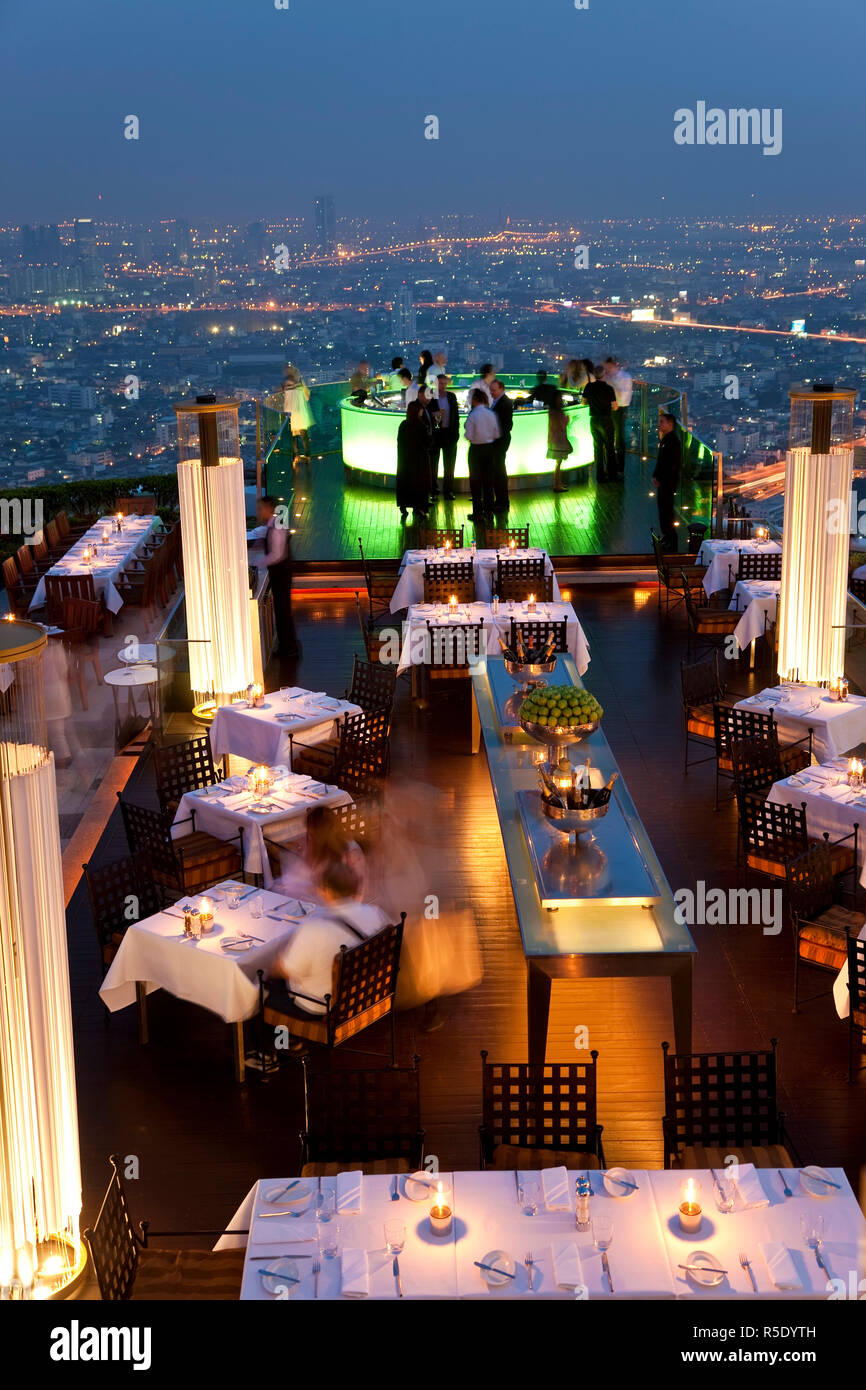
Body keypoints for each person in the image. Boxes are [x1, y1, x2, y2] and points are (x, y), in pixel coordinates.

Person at [266, 858, 388, 1042]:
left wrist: (271, 961)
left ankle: (271, 1050)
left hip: (320, 1007)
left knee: (261, 990)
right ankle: (290, 1041)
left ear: (326, 890)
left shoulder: (314, 929)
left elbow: (286, 970)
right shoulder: (375, 914)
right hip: (366, 996)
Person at [271, 803, 367, 901]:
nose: (309, 836)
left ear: (321, 834)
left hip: (336, 900)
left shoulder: (350, 852)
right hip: (318, 892)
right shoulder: (320, 845)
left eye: (311, 833)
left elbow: (358, 886)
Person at [251, 495, 298, 657]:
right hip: (280, 572)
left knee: (283, 611)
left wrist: (257, 563)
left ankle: (289, 649)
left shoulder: (276, 527)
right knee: (281, 611)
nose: (259, 512)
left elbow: (276, 555)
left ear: (269, 508)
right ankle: (287, 646)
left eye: (261, 508)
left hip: (281, 573)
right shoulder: (272, 525)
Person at [464, 387, 500, 521]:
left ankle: (477, 513)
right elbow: (497, 434)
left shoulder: (472, 415)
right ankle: (489, 510)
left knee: (475, 483)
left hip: (476, 450)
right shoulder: (491, 414)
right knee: (488, 482)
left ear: (474, 399)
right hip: (489, 449)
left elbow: (468, 436)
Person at [396, 400, 431, 519]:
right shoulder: (421, 426)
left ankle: (403, 505)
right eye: (421, 409)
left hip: (405, 462)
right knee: (419, 485)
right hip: (419, 462)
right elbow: (427, 443)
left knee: (405, 484)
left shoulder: (403, 425)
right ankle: (419, 508)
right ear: (417, 411)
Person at [582, 364, 617, 484]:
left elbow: (583, 402)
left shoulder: (589, 387)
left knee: (597, 449)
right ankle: (612, 474)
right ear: (604, 375)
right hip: (606, 420)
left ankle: (600, 476)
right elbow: (615, 407)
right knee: (610, 448)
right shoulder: (609, 388)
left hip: (594, 420)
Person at [653, 412, 681, 552]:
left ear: (670, 424)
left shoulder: (673, 442)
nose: (659, 424)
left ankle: (671, 540)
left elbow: (671, 465)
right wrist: (656, 475)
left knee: (667, 511)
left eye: (662, 422)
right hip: (664, 481)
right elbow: (661, 461)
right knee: (663, 509)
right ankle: (666, 536)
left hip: (668, 482)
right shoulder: (666, 440)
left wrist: (660, 478)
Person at [430, 373, 460, 500]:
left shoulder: (452, 397)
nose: (442, 386)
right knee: (433, 464)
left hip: (450, 434)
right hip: (436, 434)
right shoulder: (431, 397)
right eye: (440, 383)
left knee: (449, 465)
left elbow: (456, 416)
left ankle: (448, 491)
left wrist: (456, 433)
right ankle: (434, 491)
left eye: (444, 383)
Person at [604, 356, 633, 479]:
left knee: (617, 439)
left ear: (615, 366)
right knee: (613, 439)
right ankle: (613, 468)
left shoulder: (624, 377)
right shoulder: (622, 376)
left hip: (618, 409)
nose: (607, 370)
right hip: (615, 408)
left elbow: (622, 396)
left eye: (609, 367)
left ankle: (618, 468)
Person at [489, 378, 514, 515]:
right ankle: (500, 501)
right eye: (490, 389)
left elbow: (506, 426)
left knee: (499, 472)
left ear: (501, 389)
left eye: (493, 390)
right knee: (498, 472)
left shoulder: (504, 403)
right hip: (499, 442)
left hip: (499, 443)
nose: (491, 392)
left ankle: (502, 502)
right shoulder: (500, 401)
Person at [280, 364, 314, 462]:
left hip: (291, 411)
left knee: (293, 435)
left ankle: (295, 455)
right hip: (301, 411)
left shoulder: (285, 384)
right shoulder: (300, 384)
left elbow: (285, 397)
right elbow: (307, 397)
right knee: (304, 434)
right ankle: (307, 454)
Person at [546, 390, 573, 493]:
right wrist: (567, 419)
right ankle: (557, 485)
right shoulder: (557, 412)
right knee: (558, 463)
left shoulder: (551, 411)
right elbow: (560, 425)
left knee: (558, 462)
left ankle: (558, 483)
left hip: (554, 439)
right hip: (559, 440)